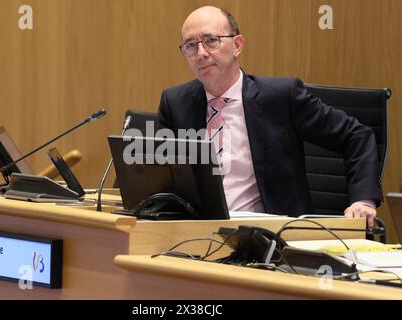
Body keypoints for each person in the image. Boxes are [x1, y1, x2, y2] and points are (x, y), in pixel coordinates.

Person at [157, 6, 382, 226]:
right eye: (190, 45)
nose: (201, 53)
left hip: (271, 238)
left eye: (211, 41)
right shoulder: (176, 103)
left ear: (237, 45)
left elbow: (357, 136)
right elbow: (155, 175)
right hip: (195, 234)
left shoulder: (282, 97)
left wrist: (362, 200)